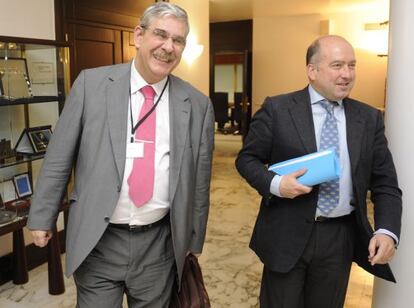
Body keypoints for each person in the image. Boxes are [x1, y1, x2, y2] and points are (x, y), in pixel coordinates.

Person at [28, 2, 214, 307]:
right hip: (98, 239)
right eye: (161, 35)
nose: (169, 47)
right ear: (139, 35)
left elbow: (200, 180)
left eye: (178, 40)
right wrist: (42, 216)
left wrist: (194, 239)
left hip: (159, 244)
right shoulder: (92, 84)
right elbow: (59, 156)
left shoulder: (196, 104)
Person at [235, 35, 402, 308]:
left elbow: (385, 183)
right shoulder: (278, 109)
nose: (347, 74)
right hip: (286, 232)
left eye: (351, 65)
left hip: (339, 238)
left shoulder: (368, 118)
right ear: (312, 71)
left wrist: (387, 230)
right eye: (337, 65)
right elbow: (247, 159)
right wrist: (277, 184)